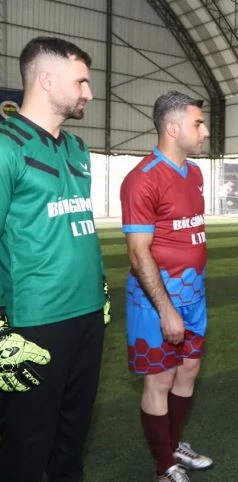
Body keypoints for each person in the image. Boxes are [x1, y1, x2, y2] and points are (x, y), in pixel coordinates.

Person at [0, 36, 109, 482]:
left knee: (72, 441)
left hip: (88, 317)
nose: (89, 93)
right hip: (32, 325)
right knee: (25, 448)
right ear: (46, 80)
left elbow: (75, 224)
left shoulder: (77, 148)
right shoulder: (6, 148)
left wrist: (100, 291)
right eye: (81, 81)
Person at [121, 91, 212, 481]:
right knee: (160, 379)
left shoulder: (195, 173)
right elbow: (139, 253)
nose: (205, 132)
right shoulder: (142, 179)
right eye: (198, 124)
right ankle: (164, 468)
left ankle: (173, 447)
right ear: (173, 129)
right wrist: (166, 309)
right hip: (155, 301)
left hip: (194, 296)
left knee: (188, 369)